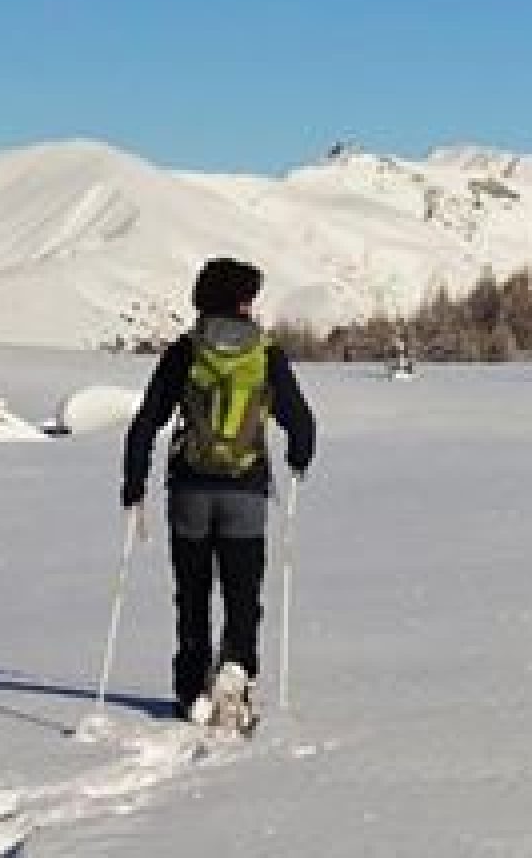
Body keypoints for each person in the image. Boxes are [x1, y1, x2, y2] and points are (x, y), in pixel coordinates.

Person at [122, 258, 316, 721]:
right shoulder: (266, 353)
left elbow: (147, 421)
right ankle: (237, 671)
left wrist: (134, 482)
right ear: (244, 301)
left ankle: (192, 690)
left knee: (191, 594)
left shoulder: (185, 352)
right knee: (242, 592)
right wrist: (298, 460)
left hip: (188, 490)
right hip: (246, 491)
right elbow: (301, 424)